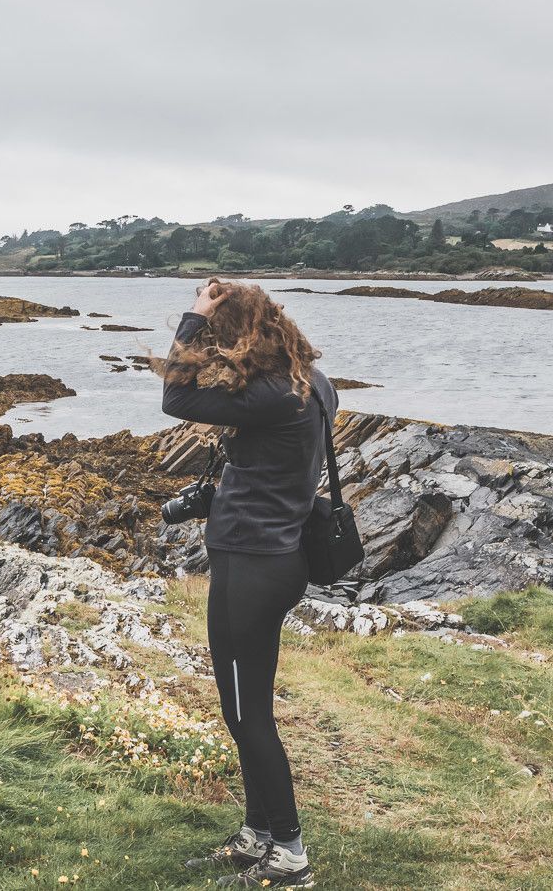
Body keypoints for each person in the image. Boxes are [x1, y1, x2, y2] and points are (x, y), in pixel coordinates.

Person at [161, 277, 337, 888]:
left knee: (247, 713)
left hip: (253, 561)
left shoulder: (269, 395)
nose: (210, 348)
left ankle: (289, 850)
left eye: (216, 336)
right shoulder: (312, 384)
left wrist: (190, 317)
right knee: (243, 706)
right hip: (277, 555)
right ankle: (257, 832)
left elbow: (176, 400)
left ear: (234, 333)